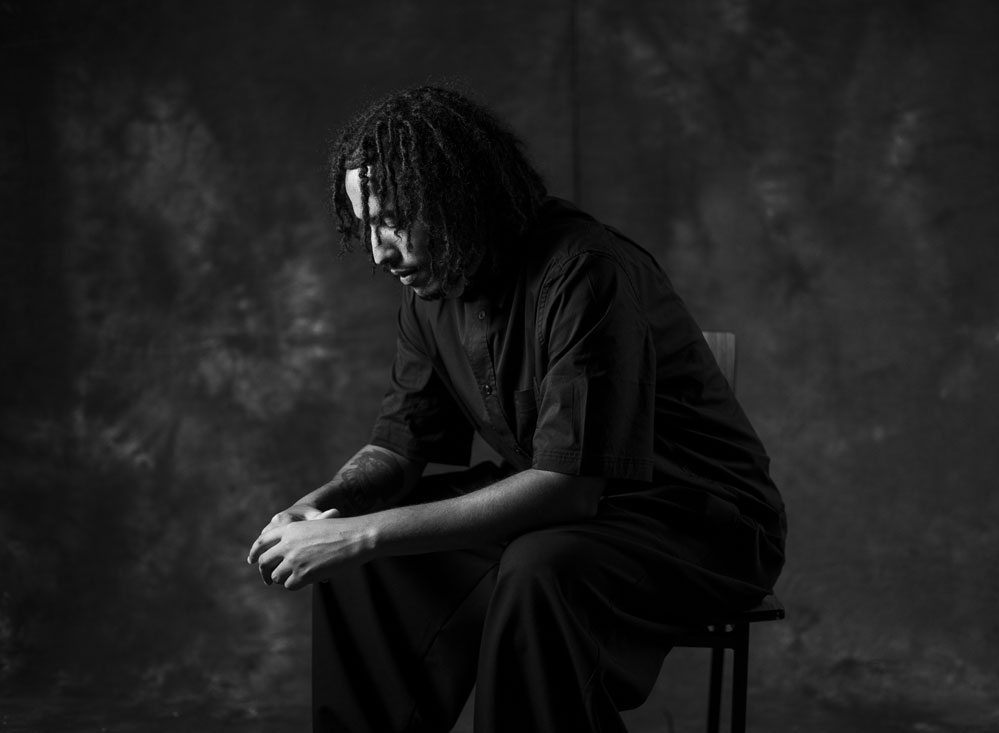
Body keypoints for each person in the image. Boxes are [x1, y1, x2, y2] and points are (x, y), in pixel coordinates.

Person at [247, 85, 786, 733]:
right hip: (576, 507)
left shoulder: (585, 272)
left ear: (456, 197)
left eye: (392, 221)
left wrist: (359, 534)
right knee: (360, 568)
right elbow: (397, 446)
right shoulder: (429, 292)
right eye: (365, 227)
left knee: (536, 571)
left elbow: (568, 487)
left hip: (697, 517)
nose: (379, 253)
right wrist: (324, 507)